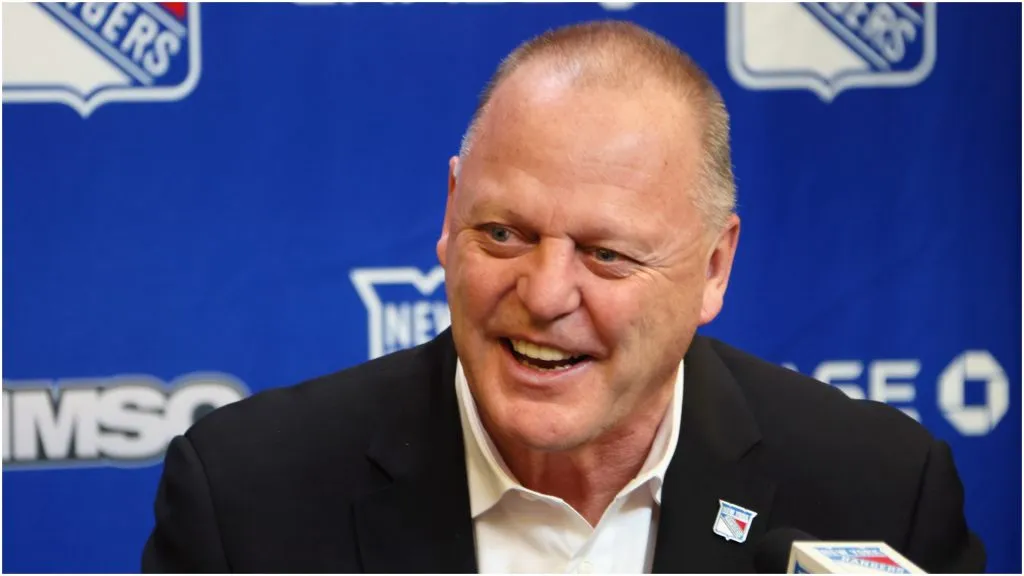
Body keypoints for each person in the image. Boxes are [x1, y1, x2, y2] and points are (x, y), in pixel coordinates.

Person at [141, 20, 984, 574]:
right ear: (449, 215)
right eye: (503, 234)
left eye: (606, 254)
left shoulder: (878, 492)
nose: (543, 295)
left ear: (715, 267)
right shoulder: (246, 500)